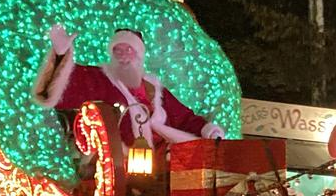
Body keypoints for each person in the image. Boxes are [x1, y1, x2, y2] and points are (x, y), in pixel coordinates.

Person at [32, 25, 225, 153]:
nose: (124, 56)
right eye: (118, 50)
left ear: (139, 54)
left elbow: (183, 118)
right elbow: (60, 89)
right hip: (123, 161)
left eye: (129, 50)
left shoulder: (154, 88)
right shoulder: (100, 79)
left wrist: (207, 130)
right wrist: (60, 55)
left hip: (163, 157)